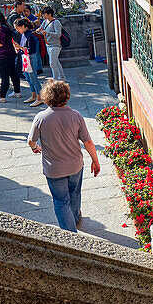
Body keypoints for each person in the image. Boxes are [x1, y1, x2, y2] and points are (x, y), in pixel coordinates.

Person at [28, 80, 100, 231]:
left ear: (47, 97)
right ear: (66, 96)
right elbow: (87, 142)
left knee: (61, 201)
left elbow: (31, 141)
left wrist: (35, 147)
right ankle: (74, 218)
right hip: (75, 165)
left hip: (54, 169)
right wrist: (95, 160)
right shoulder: (76, 116)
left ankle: (70, 234)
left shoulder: (41, 118)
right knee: (74, 194)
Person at [14, 17, 43, 106]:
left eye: (18, 28)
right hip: (25, 57)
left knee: (33, 77)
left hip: (30, 57)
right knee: (28, 77)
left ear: (23, 26)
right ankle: (34, 95)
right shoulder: (24, 34)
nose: (17, 30)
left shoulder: (30, 35)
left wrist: (20, 48)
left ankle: (40, 97)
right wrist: (19, 49)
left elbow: (32, 49)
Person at [40, 6, 66, 81]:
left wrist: (47, 32)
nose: (43, 16)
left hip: (55, 45)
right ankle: (62, 76)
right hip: (48, 44)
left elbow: (58, 34)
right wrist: (39, 30)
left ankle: (55, 79)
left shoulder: (56, 22)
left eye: (44, 14)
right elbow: (41, 30)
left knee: (52, 63)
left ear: (49, 14)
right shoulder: (45, 22)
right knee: (56, 61)